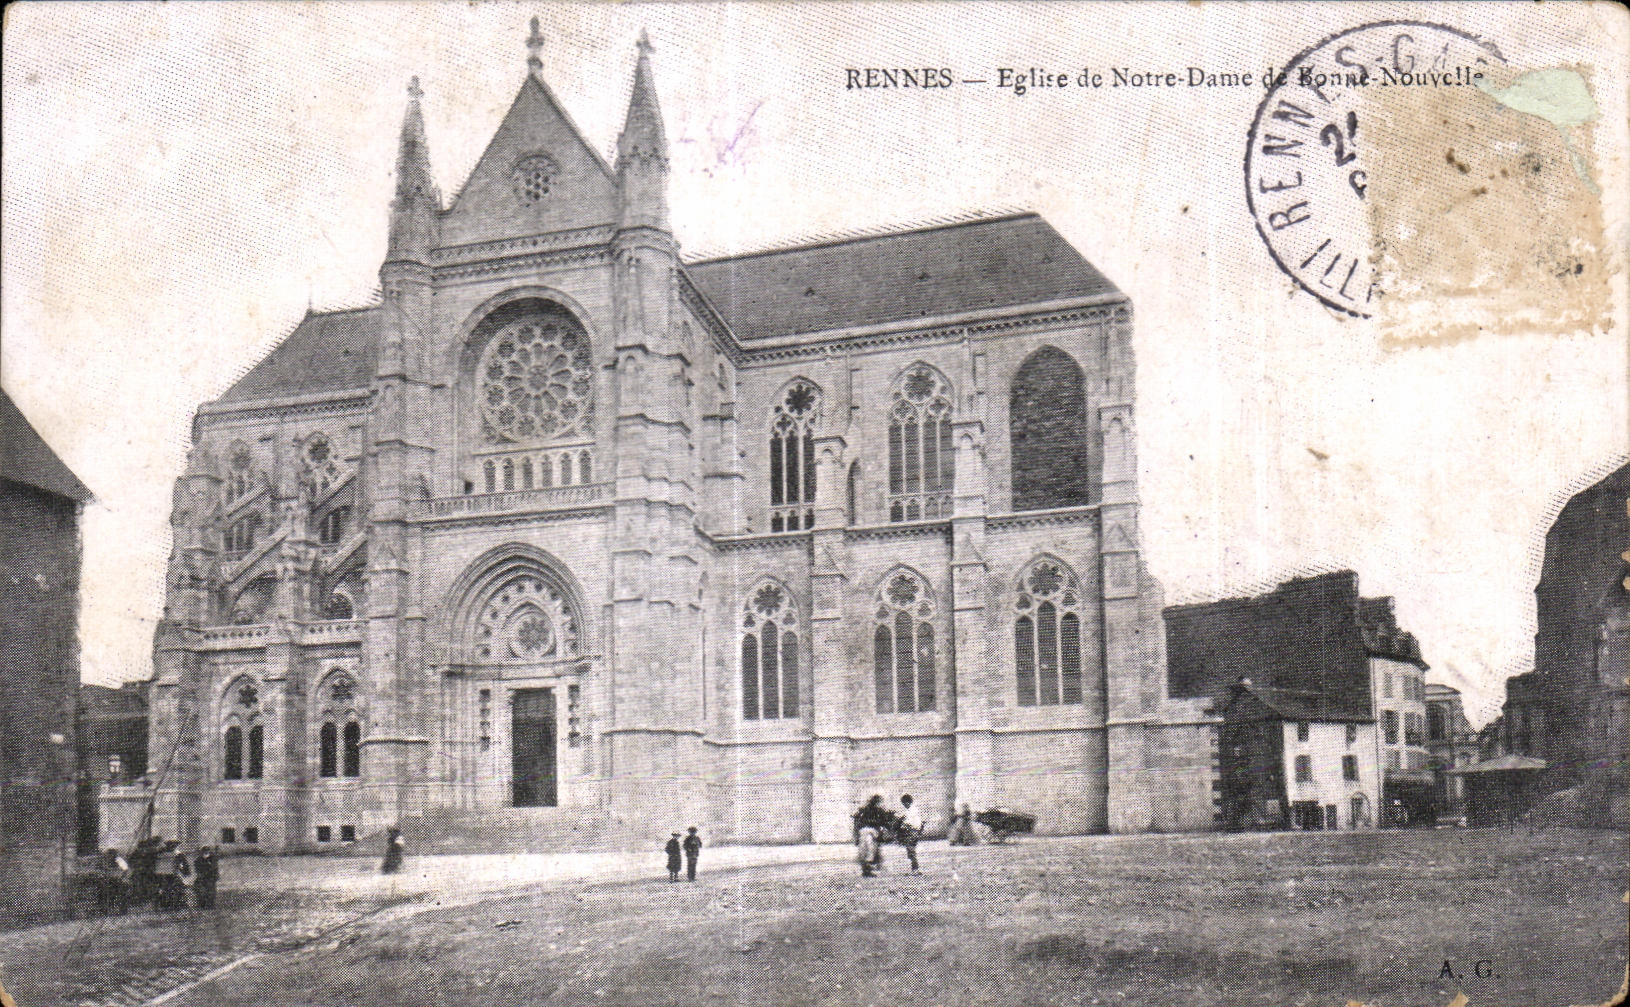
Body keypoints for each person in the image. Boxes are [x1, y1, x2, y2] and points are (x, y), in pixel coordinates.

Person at [852, 795, 892, 875]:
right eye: (880, 802)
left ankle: (868, 867)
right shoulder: (877, 811)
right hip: (870, 832)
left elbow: (857, 820)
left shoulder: (865, 810)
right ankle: (869, 868)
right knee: (870, 849)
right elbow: (885, 822)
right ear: (877, 802)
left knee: (867, 849)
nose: (881, 804)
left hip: (865, 832)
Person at [154, 840, 191, 910]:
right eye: (171, 845)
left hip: (170, 874)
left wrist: (184, 872)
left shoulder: (176, 854)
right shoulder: (165, 854)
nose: (172, 847)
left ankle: (172, 904)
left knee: (173, 889)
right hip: (167, 874)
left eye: (173, 845)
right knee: (170, 889)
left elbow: (184, 865)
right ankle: (169, 904)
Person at [96, 848, 130, 915]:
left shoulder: (119, 860)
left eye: (111, 855)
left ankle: (123, 910)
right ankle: (105, 909)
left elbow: (125, 869)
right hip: (109, 880)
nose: (110, 856)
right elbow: (101, 871)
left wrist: (122, 877)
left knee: (123, 890)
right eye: (109, 855)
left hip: (118, 880)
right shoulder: (104, 861)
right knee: (104, 890)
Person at [898, 794, 923, 872]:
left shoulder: (912, 810)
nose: (904, 805)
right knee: (910, 850)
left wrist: (901, 825)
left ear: (908, 802)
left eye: (904, 803)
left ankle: (915, 868)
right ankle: (914, 868)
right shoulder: (910, 810)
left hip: (912, 831)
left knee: (911, 849)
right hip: (913, 831)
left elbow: (908, 823)